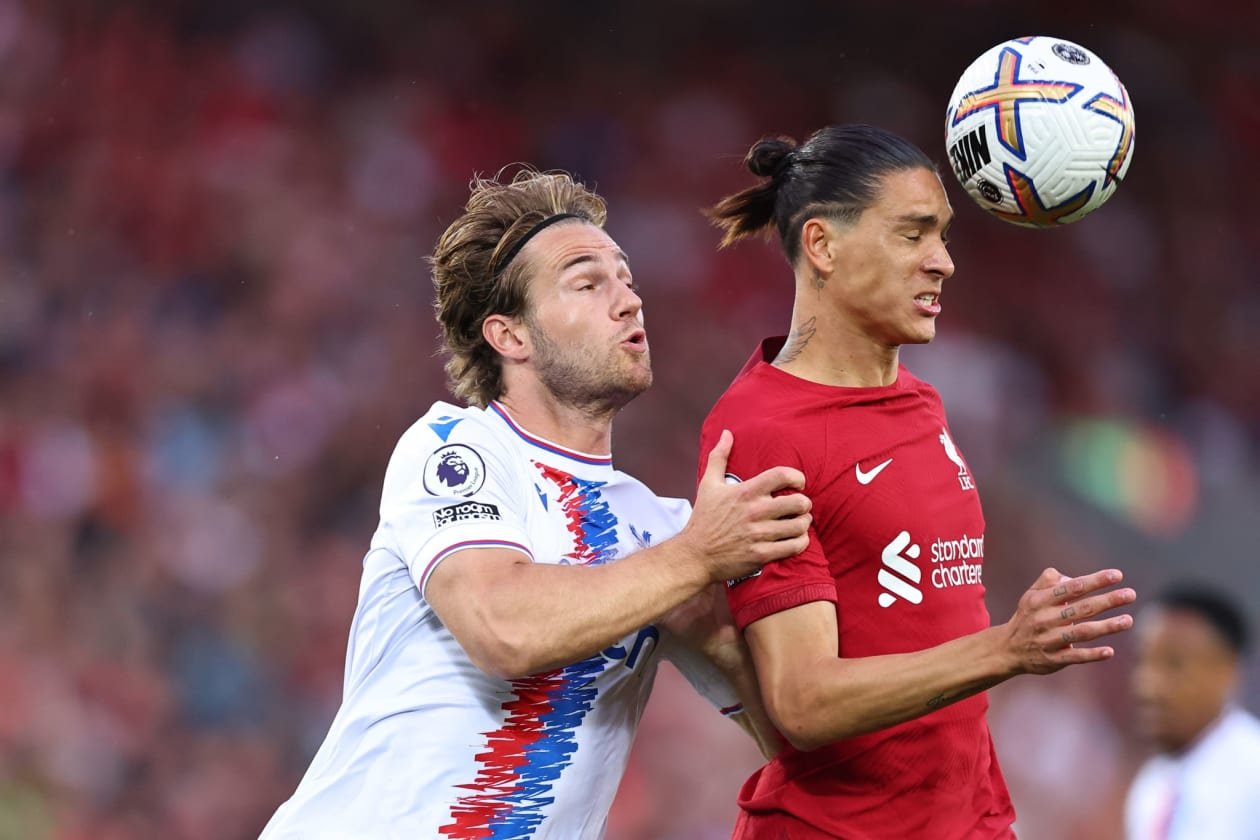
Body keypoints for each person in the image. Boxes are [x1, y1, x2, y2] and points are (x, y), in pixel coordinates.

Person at [260, 169, 812, 839]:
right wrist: (694, 560)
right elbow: (503, 630)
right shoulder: (456, 447)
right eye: (587, 283)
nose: (629, 301)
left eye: (627, 279)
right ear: (510, 336)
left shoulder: (666, 532)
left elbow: (804, 753)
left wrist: (722, 641)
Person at [695, 124, 1138, 839]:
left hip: (970, 821)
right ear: (822, 245)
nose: (944, 262)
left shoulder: (921, 402)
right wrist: (1006, 649)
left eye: (944, 236)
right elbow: (802, 702)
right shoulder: (763, 429)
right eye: (913, 234)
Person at [1126, 584, 1260, 839]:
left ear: (1227, 670)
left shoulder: (1254, 777)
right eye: (1142, 661)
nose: (1147, 685)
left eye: (1174, 664)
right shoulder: (1151, 786)